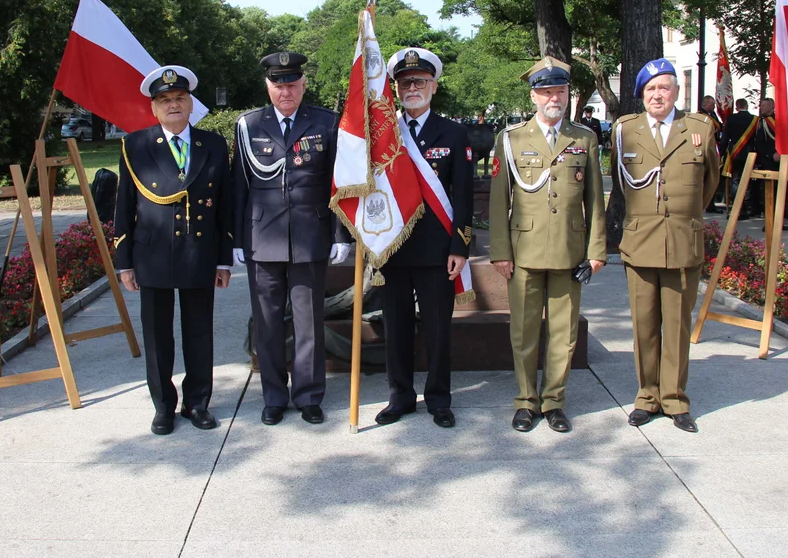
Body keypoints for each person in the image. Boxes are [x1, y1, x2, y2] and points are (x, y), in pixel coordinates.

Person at [232, 51, 351, 426]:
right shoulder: (248, 125)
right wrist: (236, 239)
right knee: (267, 323)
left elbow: (338, 184)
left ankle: (309, 395)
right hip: (261, 237)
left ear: (303, 85)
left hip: (310, 236)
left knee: (308, 322)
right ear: (268, 86)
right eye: (278, 84)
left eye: (292, 84)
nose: (286, 91)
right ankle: (273, 396)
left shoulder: (326, 122)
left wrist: (341, 234)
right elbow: (240, 187)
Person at [489, 56, 607, 433]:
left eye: (559, 90)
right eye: (545, 91)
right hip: (523, 252)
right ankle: (526, 400)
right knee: (523, 332)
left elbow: (595, 199)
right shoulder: (510, 139)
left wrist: (597, 250)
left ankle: (554, 400)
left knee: (563, 334)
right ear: (534, 96)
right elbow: (497, 199)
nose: (552, 97)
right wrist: (500, 252)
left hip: (569, 252)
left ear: (567, 94)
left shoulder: (584, 139)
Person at [114, 65, 233, 435]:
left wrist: (224, 259)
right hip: (152, 255)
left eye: (180, 98)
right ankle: (163, 406)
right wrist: (124, 262)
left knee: (199, 333)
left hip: (199, 251)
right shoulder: (135, 145)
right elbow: (123, 206)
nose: (173, 105)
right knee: (157, 336)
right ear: (154, 108)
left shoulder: (212, 144)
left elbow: (225, 205)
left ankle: (197, 404)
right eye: (164, 100)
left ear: (190, 103)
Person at [612, 59, 719, 433]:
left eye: (665, 88)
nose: (658, 95)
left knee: (676, 325)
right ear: (642, 94)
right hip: (640, 243)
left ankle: (674, 399)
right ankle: (646, 396)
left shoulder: (700, 129)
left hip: (682, 241)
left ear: (677, 92)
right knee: (644, 326)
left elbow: (709, 183)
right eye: (651, 89)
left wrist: (683, 219)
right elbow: (622, 182)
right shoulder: (625, 131)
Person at [375, 48, 474, 429]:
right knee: (396, 329)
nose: (412, 87)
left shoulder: (453, 132)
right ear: (396, 89)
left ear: (433, 85)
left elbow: (463, 196)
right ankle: (399, 396)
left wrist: (459, 247)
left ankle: (438, 398)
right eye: (404, 82)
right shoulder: (383, 134)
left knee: (437, 330)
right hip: (394, 250)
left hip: (437, 252)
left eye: (419, 81)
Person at [719, 98, 758, 218]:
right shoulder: (755, 119)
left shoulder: (731, 119)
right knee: (747, 181)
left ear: (736, 107)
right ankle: (746, 208)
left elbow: (725, 138)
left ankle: (737, 208)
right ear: (747, 106)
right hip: (750, 154)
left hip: (735, 153)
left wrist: (720, 154)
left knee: (735, 181)